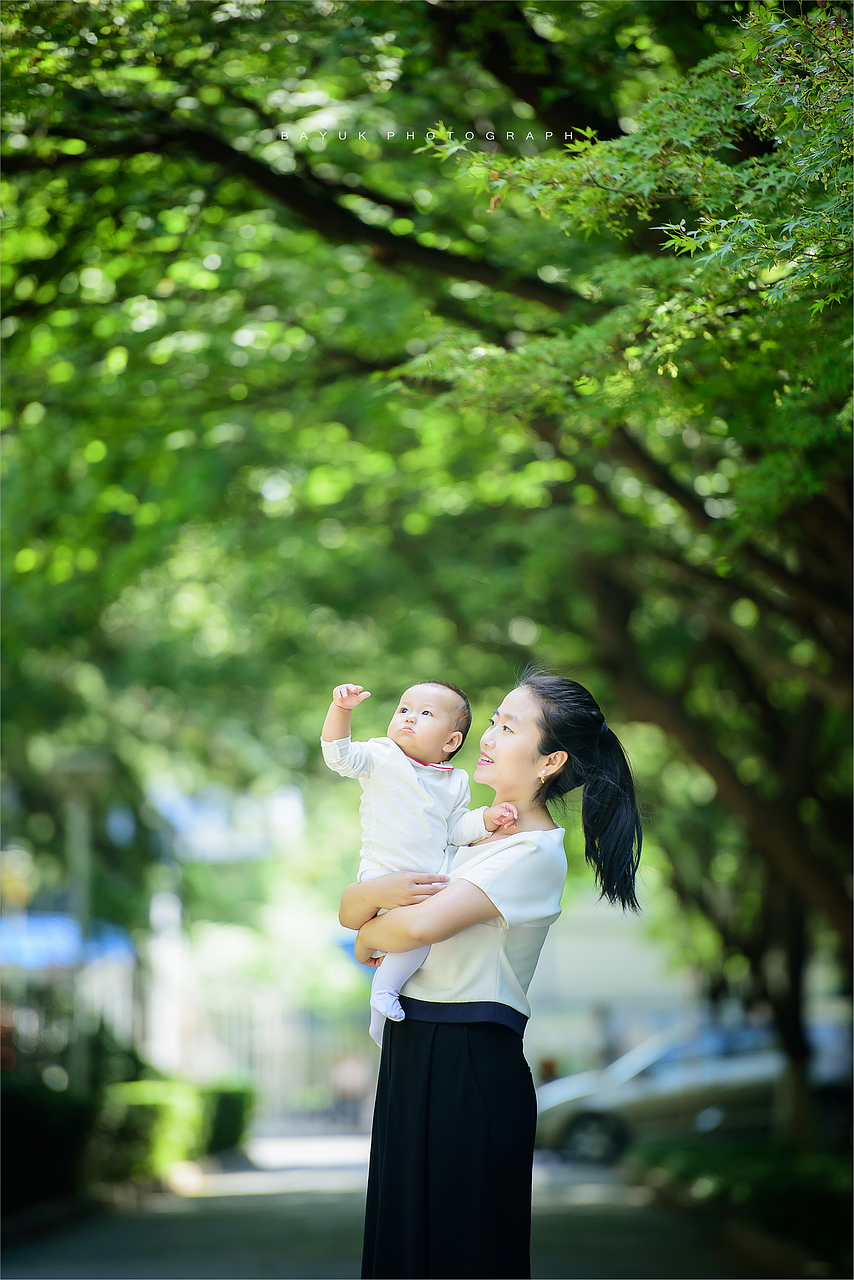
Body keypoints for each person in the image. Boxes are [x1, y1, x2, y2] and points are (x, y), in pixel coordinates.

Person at [339, 669, 642, 1280]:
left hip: (468, 1060)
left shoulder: (533, 854)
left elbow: (404, 930)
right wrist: (369, 915)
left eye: (508, 727)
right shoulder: (465, 835)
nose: (488, 735)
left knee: (460, 1251)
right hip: (414, 1050)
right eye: (494, 722)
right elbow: (356, 915)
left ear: (550, 760)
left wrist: (371, 918)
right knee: (402, 1249)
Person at [323, 680, 519, 1046]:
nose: (409, 718)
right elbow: (339, 755)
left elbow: (457, 828)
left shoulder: (455, 781)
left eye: (425, 713)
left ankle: (384, 993)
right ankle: (382, 993)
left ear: (450, 742)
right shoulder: (381, 755)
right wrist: (342, 710)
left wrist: (488, 819)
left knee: (418, 937)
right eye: (404, 710)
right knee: (403, 931)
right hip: (382, 870)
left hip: (427, 881)